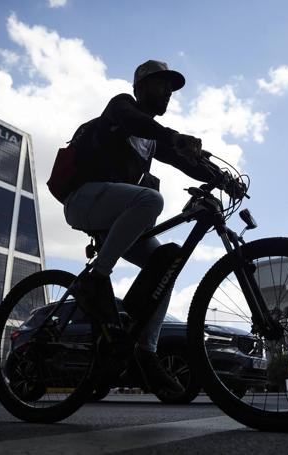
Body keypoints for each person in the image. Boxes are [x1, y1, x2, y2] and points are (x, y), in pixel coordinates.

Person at [60, 60, 223, 396]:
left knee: (168, 260)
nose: (168, 93)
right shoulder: (121, 107)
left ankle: (144, 353)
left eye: (171, 88)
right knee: (151, 200)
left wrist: (219, 178)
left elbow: (182, 160)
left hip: (114, 217)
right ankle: (96, 279)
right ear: (140, 87)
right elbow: (135, 121)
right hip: (83, 199)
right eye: (161, 85)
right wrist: (175, 136)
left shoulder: (150, 142)